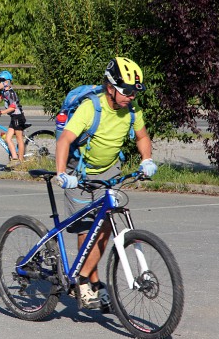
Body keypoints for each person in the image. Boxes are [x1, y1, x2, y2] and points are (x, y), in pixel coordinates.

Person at [54, 57, 158, 310]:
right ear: (110, 87)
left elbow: (142, 136)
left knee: (106, 228)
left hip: (109, 171)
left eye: (135, 91)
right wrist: (61, 175)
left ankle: (86, 279)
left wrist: (147, 159)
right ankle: (86, 284)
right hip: (78, 173)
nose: (131, 96)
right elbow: (65, 140)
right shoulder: (91, 108)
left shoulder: (132, 111)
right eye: (127, 91)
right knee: (87, 230)